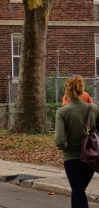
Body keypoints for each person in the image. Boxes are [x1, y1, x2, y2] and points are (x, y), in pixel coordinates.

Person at [55, 74, 99, 208]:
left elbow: (59, 140)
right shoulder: (94, 109)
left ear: (67, 90)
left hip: (72, 157)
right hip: (91, 158)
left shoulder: (62, 111)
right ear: (82, 89)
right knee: (77, 192)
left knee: (79, 194)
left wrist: (65, 146)